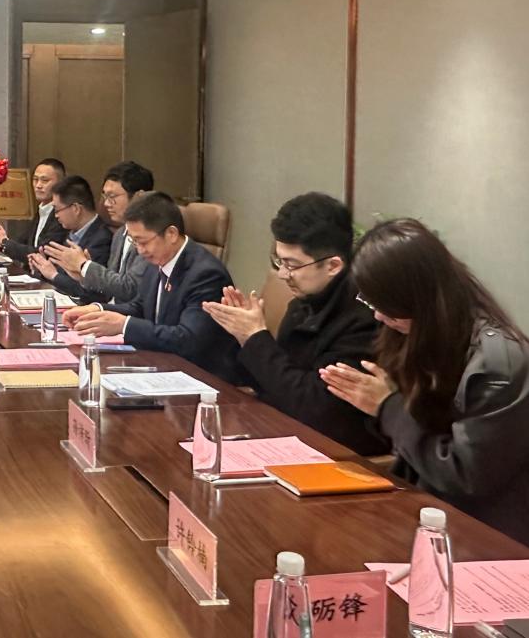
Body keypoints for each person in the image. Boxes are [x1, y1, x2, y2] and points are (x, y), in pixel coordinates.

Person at [321, 219, 529, 541]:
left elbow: (465, 475)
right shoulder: (419, 330)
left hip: (483, 534)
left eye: (386, 305)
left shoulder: (498, 364)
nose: (378, 315)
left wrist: (388, 407)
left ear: (417, 298)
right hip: (423, 509)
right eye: (371, 302)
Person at [202, 193, 386, 454]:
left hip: (335, 453)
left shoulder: (364, 319)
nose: (282, 274)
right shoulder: (305, 303)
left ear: (333, 265)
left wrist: (255, 338)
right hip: (283, 432)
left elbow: (314, 408)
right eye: (279, 261)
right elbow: (272, 385)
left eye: (291, 265)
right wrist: (239, 336)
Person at [64, 192, 244, 383]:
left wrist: (123, 325)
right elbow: (141, 307)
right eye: (134, 242)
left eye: (143, 242)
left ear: (171, 234)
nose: (140, 250)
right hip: (164, 365)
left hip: (205, 377)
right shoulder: (157, 261)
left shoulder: (205, 274)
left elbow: (188, 340)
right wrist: (98, 310)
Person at [29, 161, 152, 305]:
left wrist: (85, 266)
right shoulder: (120, 235)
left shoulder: (150, 238)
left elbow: (128, 289)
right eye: (105, 196)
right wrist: (82, 276)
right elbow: (107, 290)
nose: (106, 204)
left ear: (139, 197)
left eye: (112, 197)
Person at [27, 176, 113, 299]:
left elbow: (89, 291)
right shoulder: (69, 232)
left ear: (76, 209)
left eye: (57, 210)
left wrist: (53, 275)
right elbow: (61, 278)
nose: (56, 216)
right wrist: (42, 269)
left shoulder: (102, 239)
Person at [0, 158, 67, 263]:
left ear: (61, 183)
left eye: (45, 180)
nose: (38, 185)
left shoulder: (62, 215)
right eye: (35, 179)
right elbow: (23, 244)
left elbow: (41, 254)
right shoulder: (42, 209)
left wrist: (3, 242)